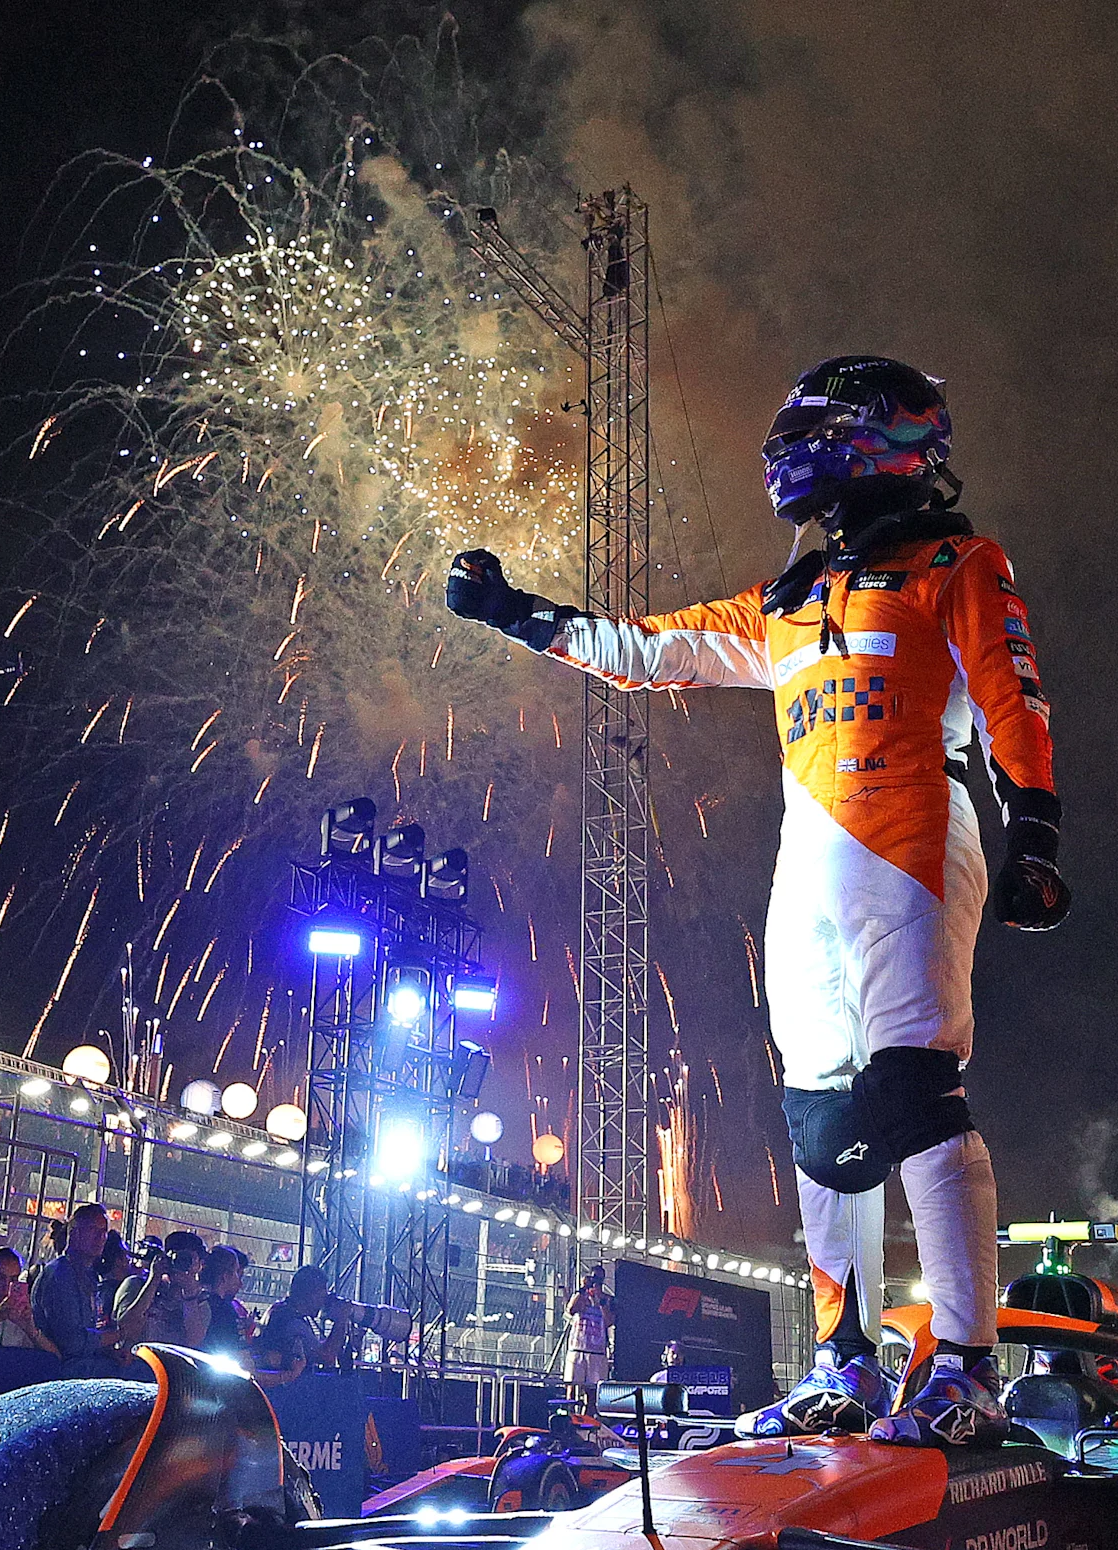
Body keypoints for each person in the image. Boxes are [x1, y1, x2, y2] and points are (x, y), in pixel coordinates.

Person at [448, 356, 1067, 1447]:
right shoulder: (786, 603)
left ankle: (964, 1368)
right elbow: (649, 651)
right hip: (811, 871)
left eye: (816, 426)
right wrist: (518, 615)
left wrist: (1037, 833)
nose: (789, 446)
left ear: (889, 436)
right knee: (822, 1114)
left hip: (914, 838)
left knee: (915, 1091)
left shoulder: (954, 562)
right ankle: (846, 1360)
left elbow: (1012, 695)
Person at [32, 1202, 114, 1360]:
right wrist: (118, 1334)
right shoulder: (60, 1275)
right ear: (74, 1234)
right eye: (93, 1230)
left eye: (104, 1231)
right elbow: (72, 1343)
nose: (101, 1238)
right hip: (60, 1369)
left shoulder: (89, 1275)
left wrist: (108, 1352)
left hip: (83, 1366)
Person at [114, 1230, 209, 1349]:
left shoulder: (200, 1302)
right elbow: (124, 1327)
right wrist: (154, 1280)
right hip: (133, 1361)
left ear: (199, 1265)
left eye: (188, 1259)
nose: (182, 1264)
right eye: (178, 1257)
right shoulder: (135, 1285)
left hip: (170, 1365)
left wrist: (189, 1295)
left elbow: (193, 1341)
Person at [252, 1265, 343, 1383]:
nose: (323, 1302)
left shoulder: (279, 1310)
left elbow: (314, 1348)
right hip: (286, 1388)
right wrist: (341, 1320)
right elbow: (326, 1357)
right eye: (322, 1296)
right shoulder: (293, 1322)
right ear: (310, 1295)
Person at [568, 1265, 616, 1397]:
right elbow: (571, 1310)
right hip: (577, 1347)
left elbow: (609, 1322)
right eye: (594, 1278)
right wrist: (583, 1288)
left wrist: (600, 1300)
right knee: (571, 1387)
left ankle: (589, 1415)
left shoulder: (607, 1299)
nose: (596, 1282)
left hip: (597, 1350)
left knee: (593, 1391)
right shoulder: (581, 1296)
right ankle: (569, 1414)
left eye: (599, 1279)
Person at [198, 1245, 253, 1359]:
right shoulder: (224, 1310)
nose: (240, 1283)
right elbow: (239, 1357)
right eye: (237, 1274)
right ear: (225, 1276)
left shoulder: (196, 1300)